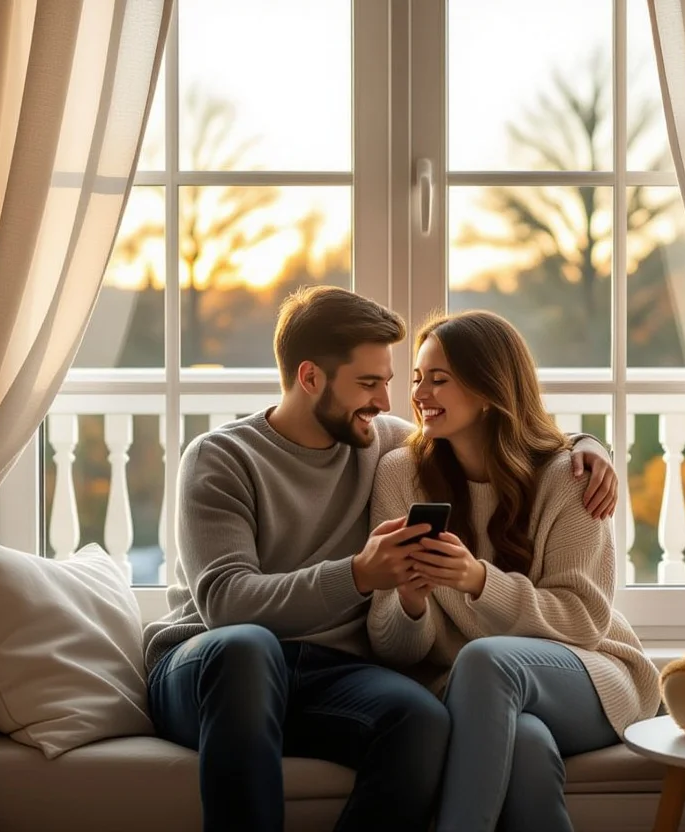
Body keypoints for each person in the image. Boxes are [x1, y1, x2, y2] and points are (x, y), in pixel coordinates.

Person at [142, 287, 618, 832]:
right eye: (369, 383)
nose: (388, 401)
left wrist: (590, 448)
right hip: (212, 669)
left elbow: (498, 433)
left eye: (392, 382)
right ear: (310, 378)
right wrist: (359, 575)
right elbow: (227, 604)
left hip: (327, 675)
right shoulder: (221, 457)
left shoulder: (382, 445)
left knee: (421, 720)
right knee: (249, 647)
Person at [368, 310, 661, 832]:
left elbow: (583, 622)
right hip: (475, 691)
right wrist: (410, 601)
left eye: (439, 379)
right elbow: (395, 650)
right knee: (525, 745)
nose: (419, 393)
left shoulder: (569, 477)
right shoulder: (400, 474)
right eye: (417, 378)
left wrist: (478, 581)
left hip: (588, 675)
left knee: (486, 661)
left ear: (488, 389)